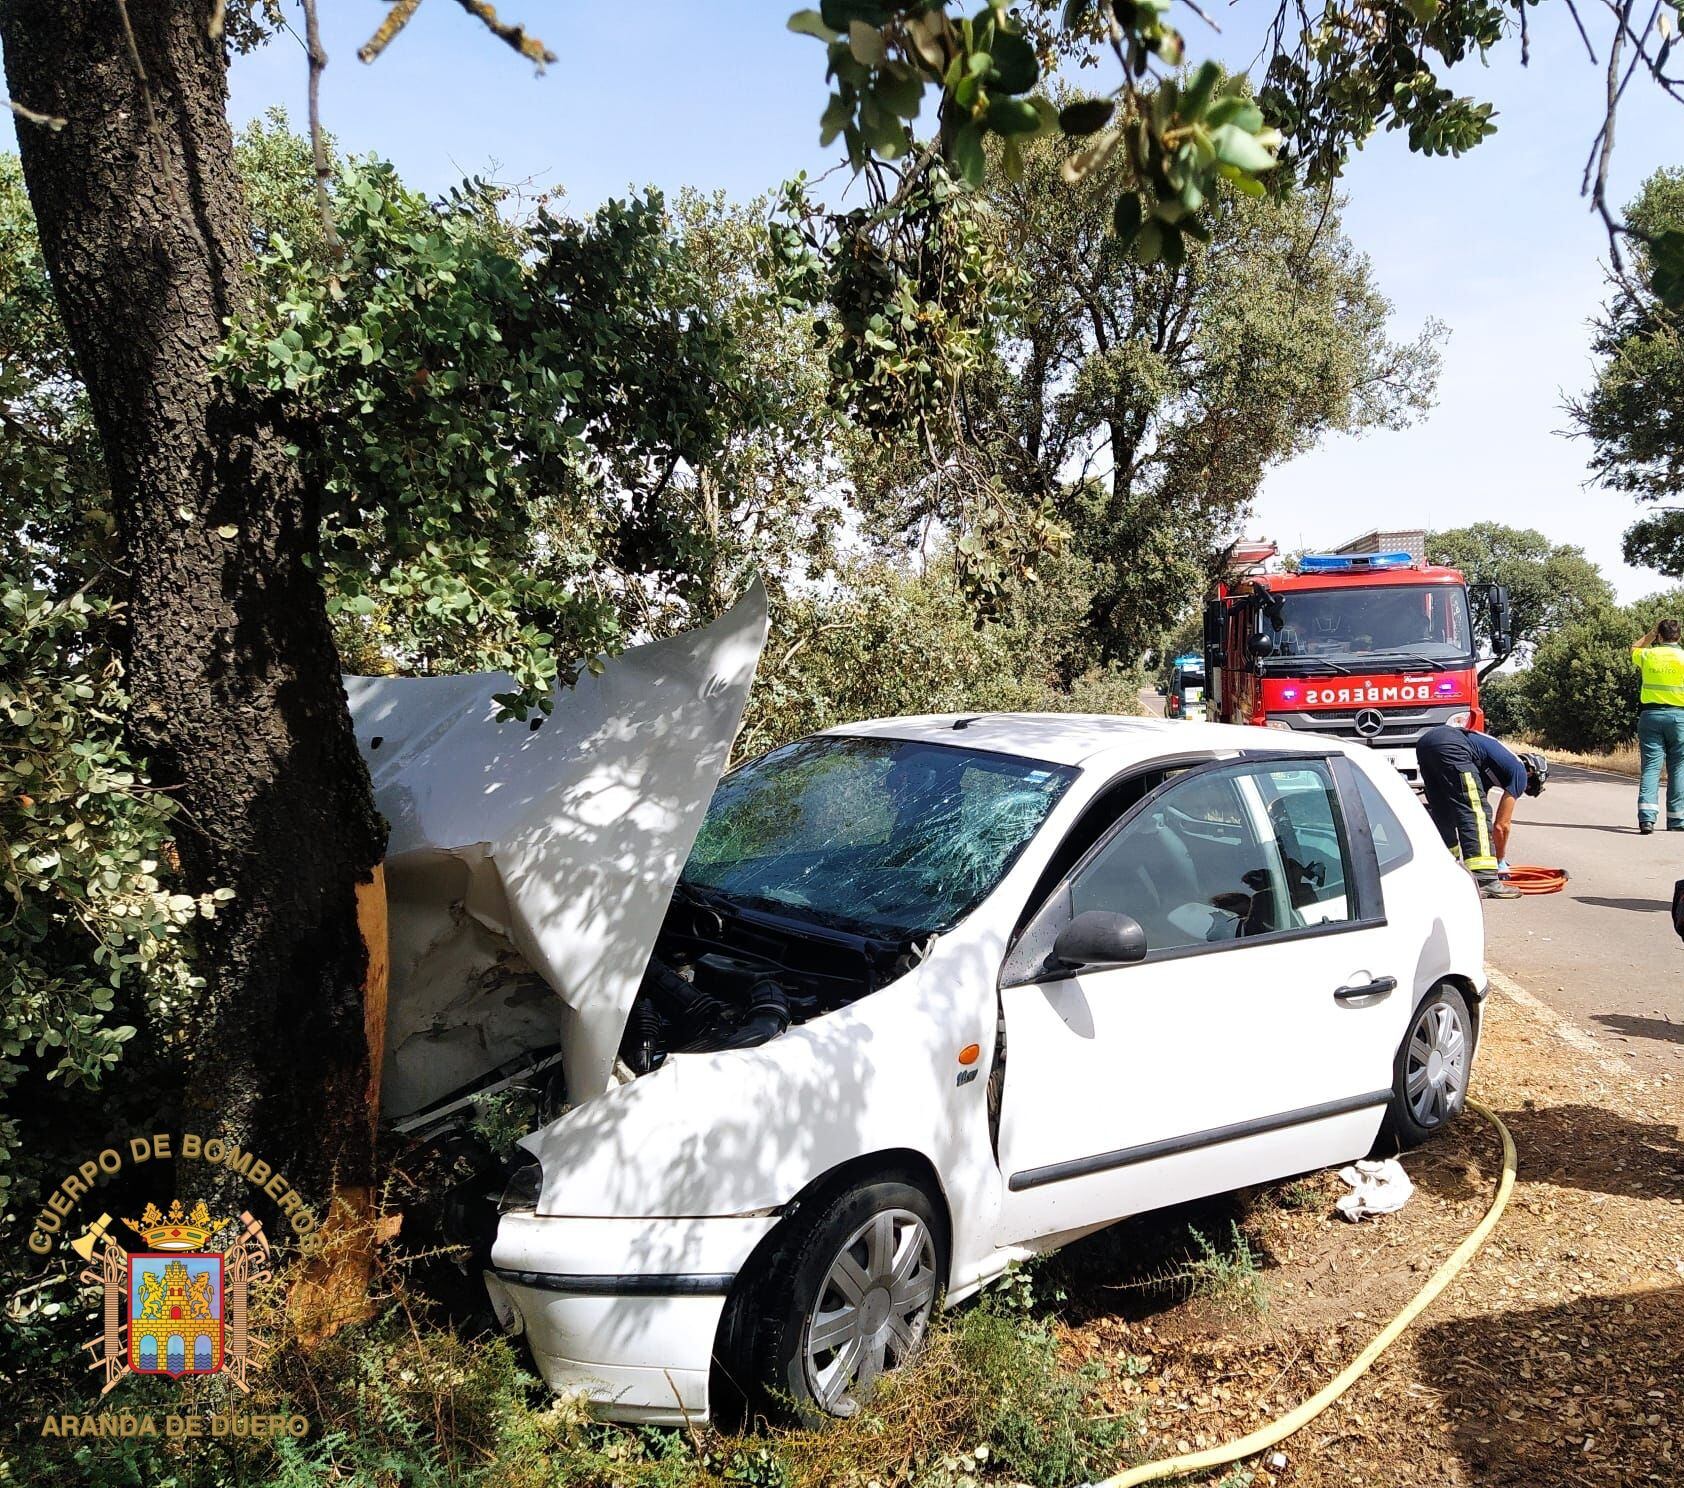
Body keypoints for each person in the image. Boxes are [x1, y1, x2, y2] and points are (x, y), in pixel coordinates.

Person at [1416, 725, 1546, 900]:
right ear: (1532, 775)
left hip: (1427, 743)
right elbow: (1502, 825)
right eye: (1527, 788)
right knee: (1476, 812)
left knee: (1444, 812)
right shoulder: (1520, 772)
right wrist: (1499, 861)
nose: (1523, 789)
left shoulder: (1491, 764)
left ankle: (1446, 870)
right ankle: (1485, 879)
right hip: (1452, 745)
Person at [1631, 618, 1684, 833]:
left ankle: (1647, 819)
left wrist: (1650, 635)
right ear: (1679, 636)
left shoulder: (1648, 654)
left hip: (1651, 715)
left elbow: (1634, 647)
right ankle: (1677, 819)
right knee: (1678, 767)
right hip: (1679, 717)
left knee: (1651, 767)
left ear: (1660, 637)